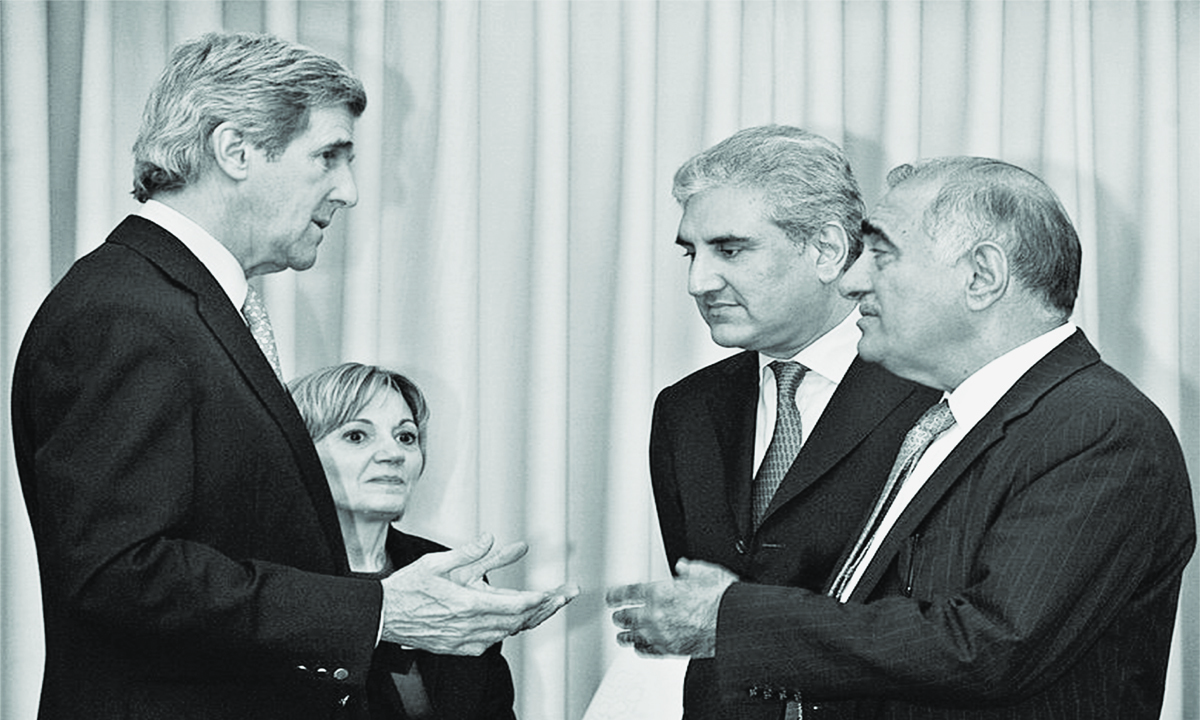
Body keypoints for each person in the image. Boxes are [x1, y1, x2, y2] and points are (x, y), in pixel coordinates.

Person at [11, 31, 572, 720]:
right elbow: (116, 574)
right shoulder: (126, 312)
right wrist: (378, 611)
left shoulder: (178, 304)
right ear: (235, 150)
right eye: (329, 157)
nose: (352, 191)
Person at [609, 157, 1196, 719]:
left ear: (981, 276)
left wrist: (730, 621)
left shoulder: (1097, 427)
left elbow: (990, 646)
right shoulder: (959, 416)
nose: (854, 279)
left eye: (882, 254)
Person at [630, 125, 939, 718]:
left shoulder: (935, 393)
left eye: (730, 249)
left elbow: (946, 630)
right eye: (691, 252)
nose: (698, 282)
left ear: (826, 249)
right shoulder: (686, 410)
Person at [290, 363, 518, 720]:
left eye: (406, 437)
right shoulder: (267, 587)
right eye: (356, 436)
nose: (393, 454)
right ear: (296, 453)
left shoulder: (451, 572)